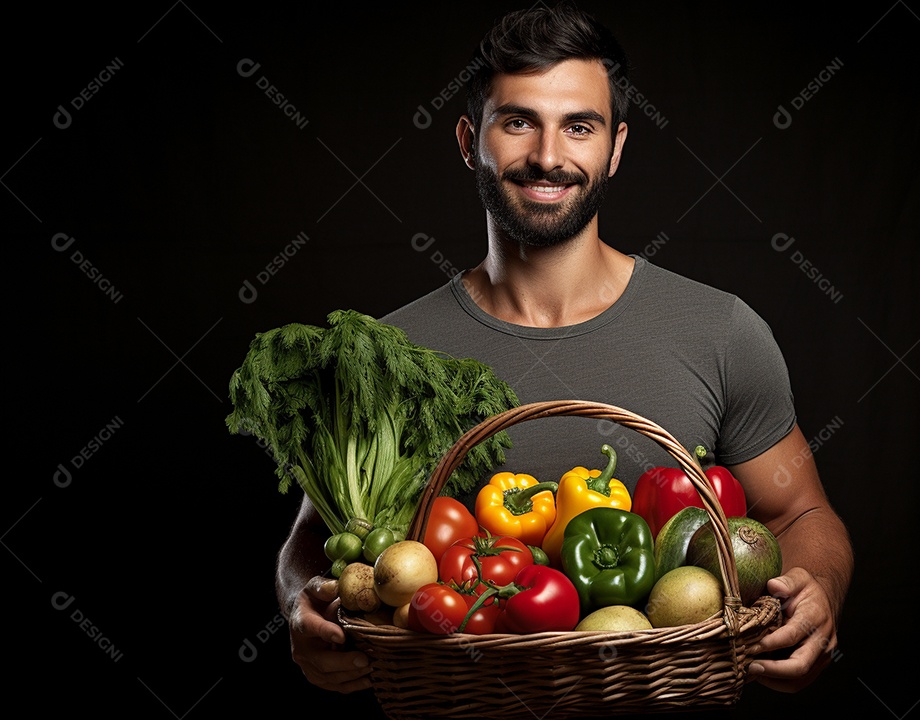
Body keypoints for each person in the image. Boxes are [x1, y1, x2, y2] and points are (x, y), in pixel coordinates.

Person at [276, 0, 854, 701]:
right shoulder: (388, 352)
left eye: (579, 126)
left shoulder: (721, 331)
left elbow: (801, 515)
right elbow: (314, 541)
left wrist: (818, 588)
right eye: (518, 122)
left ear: (614, 148)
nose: (549, 156)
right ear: (468, 141)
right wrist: (300, 606)